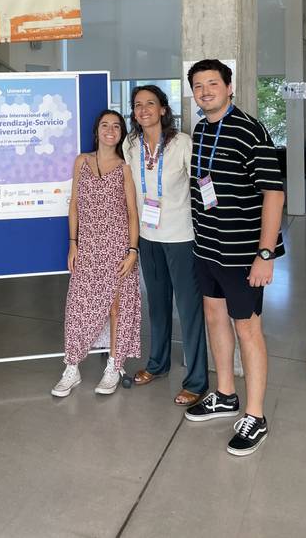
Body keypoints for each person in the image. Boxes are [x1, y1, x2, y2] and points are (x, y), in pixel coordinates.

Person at [184, 59, 285, 456]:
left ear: (229, 87)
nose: (205, 90)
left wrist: (265, 254)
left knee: (248, 329)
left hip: (243, 254)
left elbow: (273, 194)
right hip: (207, 248)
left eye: (213, 83)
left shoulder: (250, 130)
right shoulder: (202, 128)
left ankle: (256, 416)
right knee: (214, 318)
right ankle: (225, 394)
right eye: (198, 85)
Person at [123, 85, 208, 405]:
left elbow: (202, 181)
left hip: (181, 237)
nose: (143, 109)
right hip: (148, 237)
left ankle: (197, 380)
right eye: (137, 105)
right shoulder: (131, 144)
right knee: (157, 307)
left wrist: (214, 214)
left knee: (188, 310)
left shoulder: (182, 142)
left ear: (162, 109)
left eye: (150, 104)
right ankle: (156, 364)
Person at [51, 110, 141, 398]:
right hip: (87, 247)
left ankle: (114, 366)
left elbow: (131, 213)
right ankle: (72, 366)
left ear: (121, 132)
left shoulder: (124, 168)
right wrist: (73, 243)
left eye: (116, 126)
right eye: (105, 125)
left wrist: (132, 250)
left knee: (116, 308)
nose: (110, 130)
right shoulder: (82, 161)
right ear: (97, 130)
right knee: (78, 306)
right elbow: (74, 204)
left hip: (117, 247)